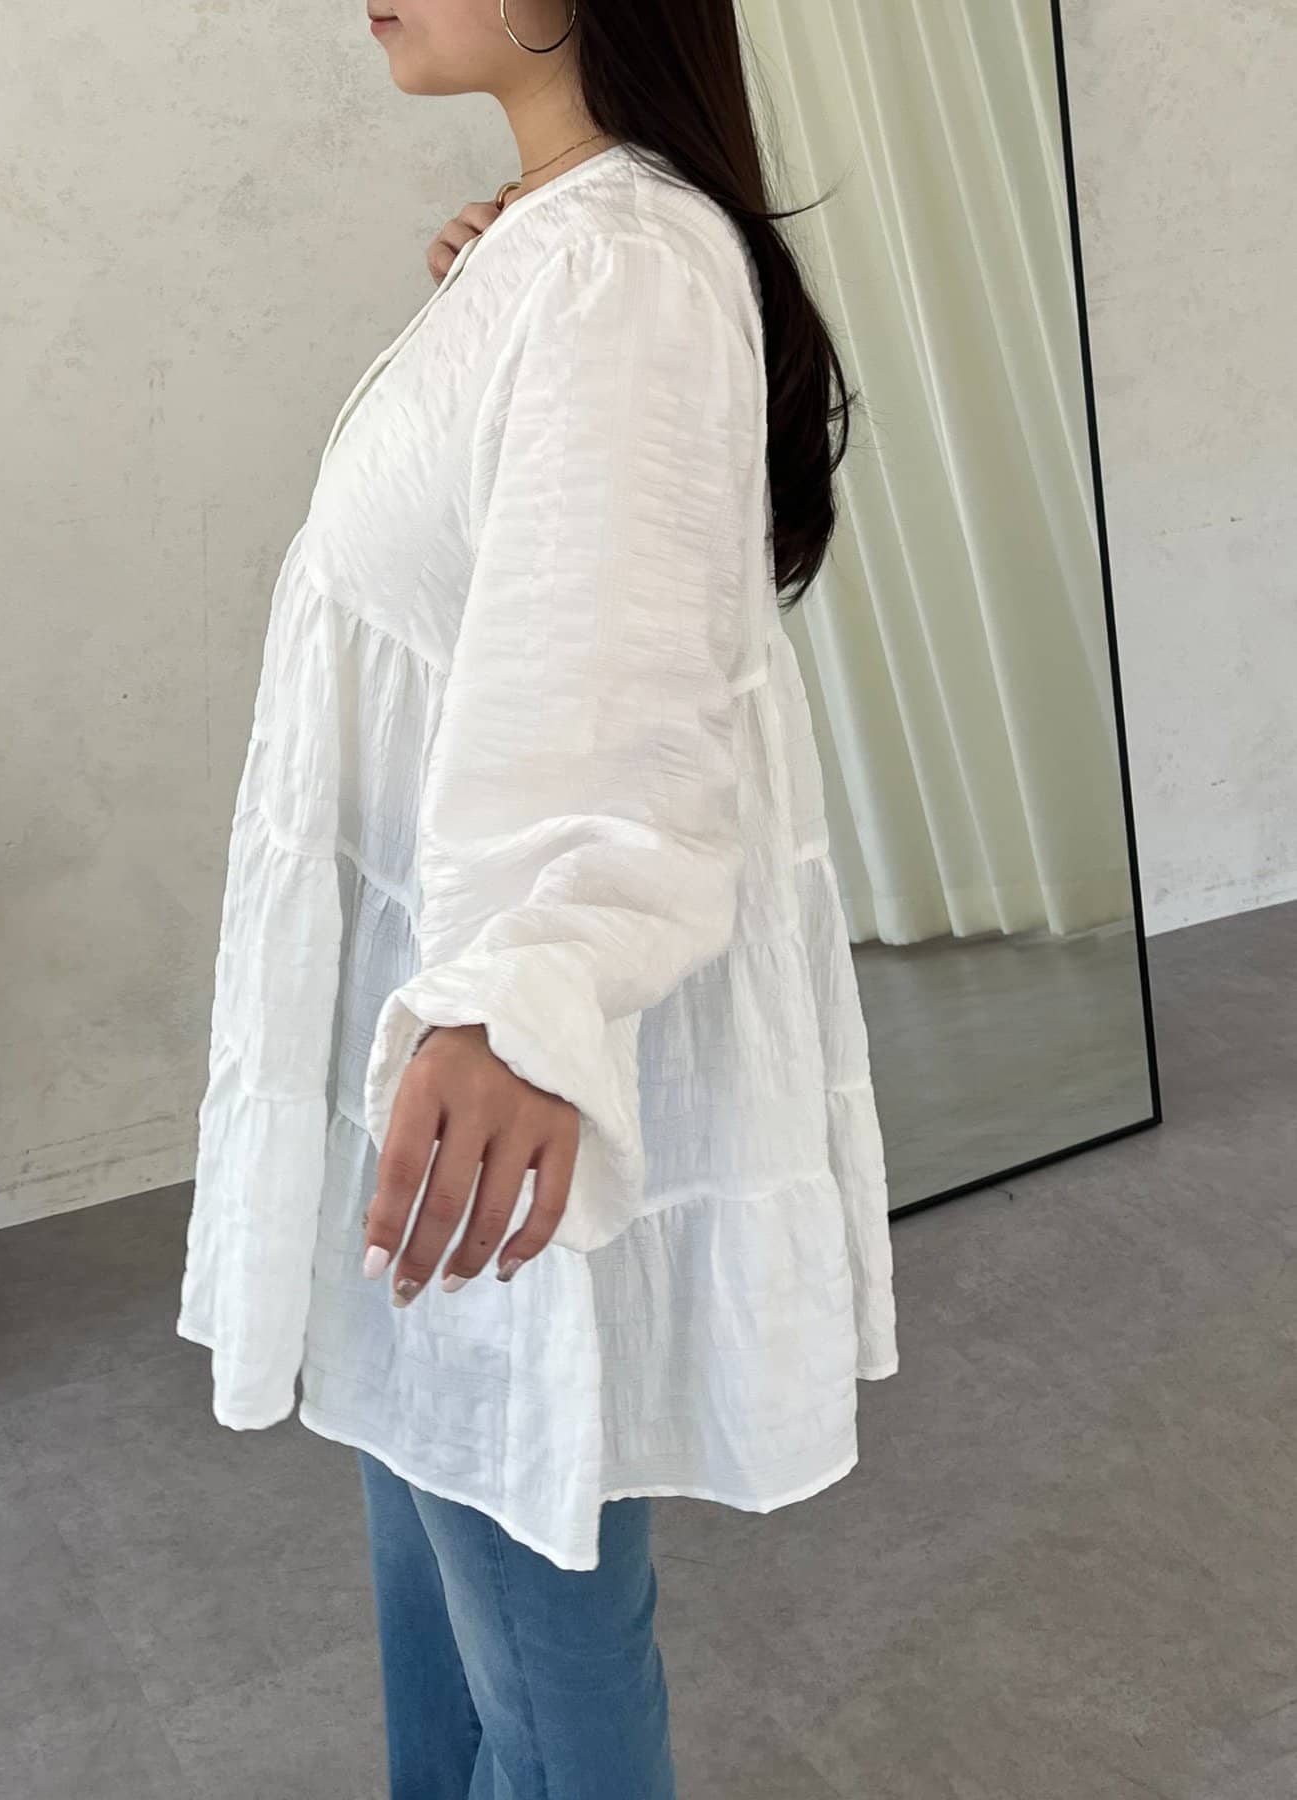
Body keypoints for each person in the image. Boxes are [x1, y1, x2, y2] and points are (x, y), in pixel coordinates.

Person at [178, 1, 900, 1793]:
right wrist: (490, 301)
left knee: (535, 1626)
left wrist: (517, 1002)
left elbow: (615, 686)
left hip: (484, 1039)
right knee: (441, 1538)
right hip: (435, 1014)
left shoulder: (621, 266)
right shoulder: (566, 249)